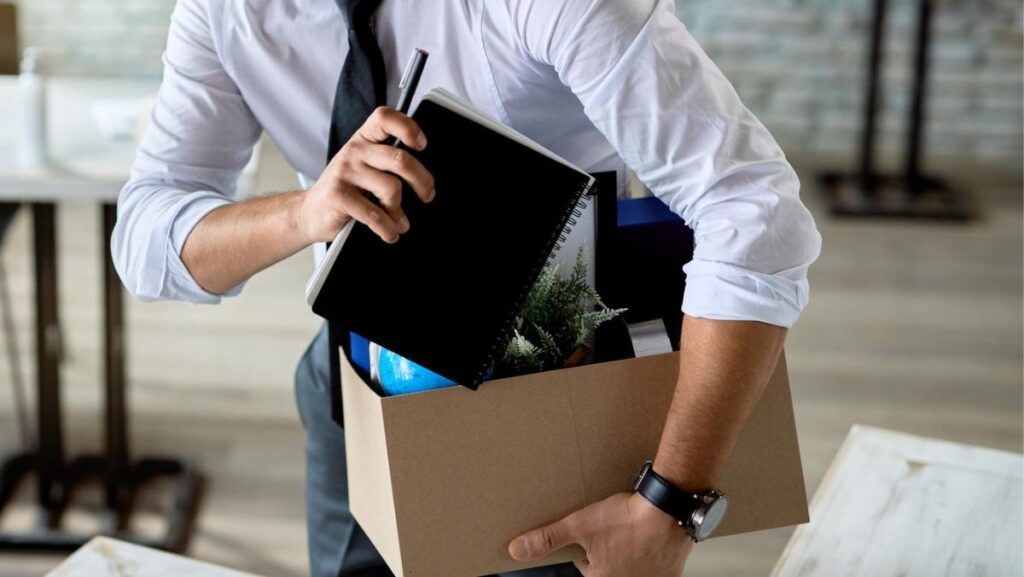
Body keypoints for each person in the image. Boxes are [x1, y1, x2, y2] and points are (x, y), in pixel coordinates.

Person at [112, 0, 822, 576]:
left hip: (558, 409)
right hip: (355, 389)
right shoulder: (222, 12)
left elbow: (754, 212)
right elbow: (144, 237)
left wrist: (670, 502)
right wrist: (303, 213)